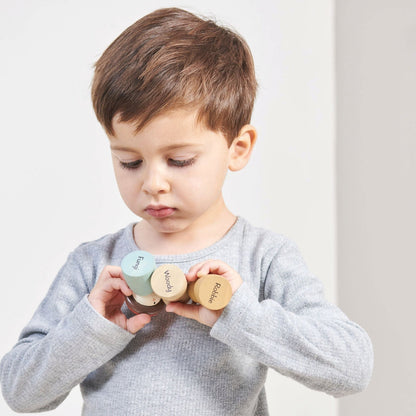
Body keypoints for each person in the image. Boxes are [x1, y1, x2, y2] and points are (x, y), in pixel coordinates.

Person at [0, 7, 373, 415]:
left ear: (238, 147)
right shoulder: (94, 265)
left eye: (178, 160)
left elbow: (351, 367)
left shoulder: (263, 257)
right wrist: (92, 324)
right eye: (130, 162)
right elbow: (21, 392)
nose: (152, 183)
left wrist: (239, 314)